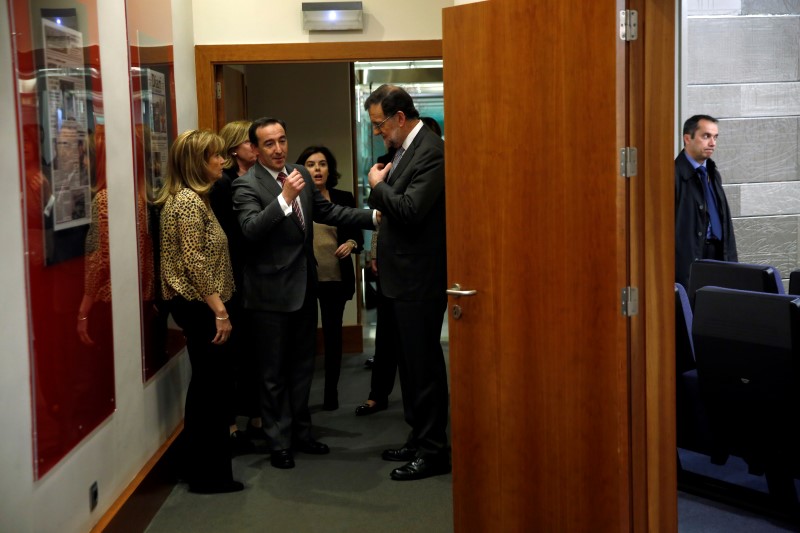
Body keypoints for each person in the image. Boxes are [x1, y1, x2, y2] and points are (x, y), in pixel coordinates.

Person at [232, 117, 378, 470]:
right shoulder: (245, 186)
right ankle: (278, 441)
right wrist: (284, 199)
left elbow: (327, 211)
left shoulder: (297, 172)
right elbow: (251, 230)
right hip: (268, 295)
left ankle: (301, 433)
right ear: (255, 149)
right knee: (272, 373)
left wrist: (372, 218)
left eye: (282, 140)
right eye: (269, 143)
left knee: (301, 368)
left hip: (303, 289)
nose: (279, 148)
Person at [365, 84, 449, 481]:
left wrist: (377, 187)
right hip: (401, 278)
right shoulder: (403, 150)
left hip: (419, 280)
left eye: (380, 125)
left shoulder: (431, 151)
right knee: (411, 368)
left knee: (424, 367)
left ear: (400, 118)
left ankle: (434, 450)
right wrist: (381, 188)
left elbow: (412, 210)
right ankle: (419, 436)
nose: (378, 133)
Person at [155, 129, 243, 494]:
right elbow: (195, 261)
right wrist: (220, 311)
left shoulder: (193, 198)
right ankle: (208, 476)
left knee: (208, 387)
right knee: (211, 390)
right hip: (201, 306)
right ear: (197, 163)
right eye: (215, 156)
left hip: (202, 304)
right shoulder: (188, 202)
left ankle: (199, 467)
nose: (222, 161)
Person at [295, 145, 364, 411]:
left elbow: (357, 236)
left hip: (336, 278)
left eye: (322, 164)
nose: (317, 169)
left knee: (334, 338)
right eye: (311, 164)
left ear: (329, 169)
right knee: (305, 339)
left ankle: (330, 394)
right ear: (302, 169)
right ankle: (301, 400)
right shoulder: (294, 199)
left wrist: (350, 243)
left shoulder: (343, 197)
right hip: (306, 280)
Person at [209, 120, 262, 452]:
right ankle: (231, 424)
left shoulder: (256, 180)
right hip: (232, 279)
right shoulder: (223, 185)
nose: (256, 149)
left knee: (253, 350)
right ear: (233, 149)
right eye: (250, 143)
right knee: (232, 354)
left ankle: (255, 416)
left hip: (252, 275)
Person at [675, 114, 738, 289]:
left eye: (715, 137)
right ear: (687, 138)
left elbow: (725, 223)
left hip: (718, 255)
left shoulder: (712, 172)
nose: (712, 143)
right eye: (706, 136)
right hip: (692, 257)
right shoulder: (673, 175)